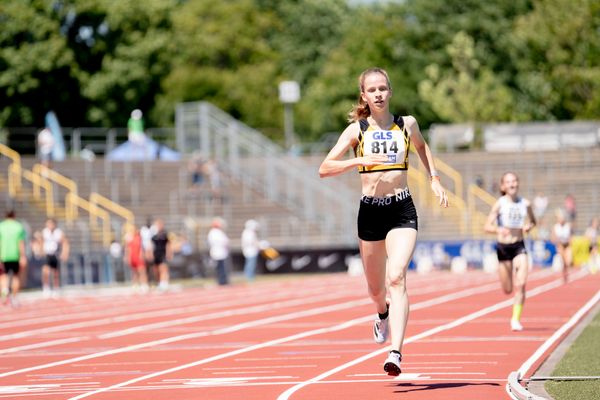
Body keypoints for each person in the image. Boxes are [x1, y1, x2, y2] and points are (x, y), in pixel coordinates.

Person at [318, 67, 448, 376]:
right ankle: (382, 312)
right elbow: (324, 168)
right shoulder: (357, 131)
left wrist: (434, 179)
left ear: (390, 92)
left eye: (382, 88)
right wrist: (357, 160)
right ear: (364, 95)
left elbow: (421, 146)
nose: (378, 94)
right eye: (371, 90)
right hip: (370, 212)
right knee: (376, 290)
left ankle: (396, 352)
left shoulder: (407, 124)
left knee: (397, 277)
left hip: (401, 208)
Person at [484, 172, 536, 332]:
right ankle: (512, 294)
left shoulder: (525, 204)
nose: (512, 184)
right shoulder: (500, 203)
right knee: (507, 289)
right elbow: (487, 226)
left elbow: (533, 221)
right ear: (503, 186)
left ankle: (515, 319)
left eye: (514, 181)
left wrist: (529, 226)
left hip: (519, 246)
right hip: (503, 248)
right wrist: (499, 229)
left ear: (518, 183)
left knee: (520, 284)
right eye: (508, 182)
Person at [0, 210, 27, 307]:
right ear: (14, 216)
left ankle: (4, 290)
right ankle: (14, 299)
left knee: (3, 276)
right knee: (15, 276)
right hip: (15, 255)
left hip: (3, 256)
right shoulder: (18, 226)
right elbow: (21, 243)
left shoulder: (1, 226)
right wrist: (23, 256)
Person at [41, 218, 69, 298]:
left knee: (55, 273)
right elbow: (41, 241)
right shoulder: (45, 232)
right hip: (47, 254)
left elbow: (65, 242)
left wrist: (64, 253)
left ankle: (56, 288)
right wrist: (41, 250)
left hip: (55, 254)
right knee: (45, 271)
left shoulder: (58, 232)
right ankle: (46, 288)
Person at [124, 225, 149, 293]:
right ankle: (135, 285)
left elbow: (141, 247)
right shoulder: (129, 238)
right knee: (134, 272)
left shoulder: (139, 237)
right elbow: (127, 249)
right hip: (133, 256)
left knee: (142, 271)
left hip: (138, 256)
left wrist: (142, 255)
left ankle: (144, 285)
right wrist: (127, 257)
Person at [552, 208, 573, 283]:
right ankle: (564, 274)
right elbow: (553, 238)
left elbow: (570, 236)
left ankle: (566, 271)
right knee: (563, 261)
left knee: (568, 261)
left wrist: (570, 243)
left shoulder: (568, 226)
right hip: (560, 245)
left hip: (567, 245)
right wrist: (557, 242)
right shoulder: (555, 227)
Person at [207, 217, 230, 286]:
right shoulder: (215, 232)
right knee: (221, 268)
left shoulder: (215, 232)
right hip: (218, 252)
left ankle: (223, 280)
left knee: (221, 268)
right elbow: (224, 241)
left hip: (220, 252)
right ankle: (222, 281)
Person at [151, 218, 172, 291]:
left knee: (163, 269)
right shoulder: (153, 235)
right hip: (156, 254)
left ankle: (164, 283)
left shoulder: (165, 234)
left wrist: (169, 253)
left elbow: (168, 244)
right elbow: (151, 245)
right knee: (156, 270)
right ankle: (159, 283)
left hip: (163, 253)